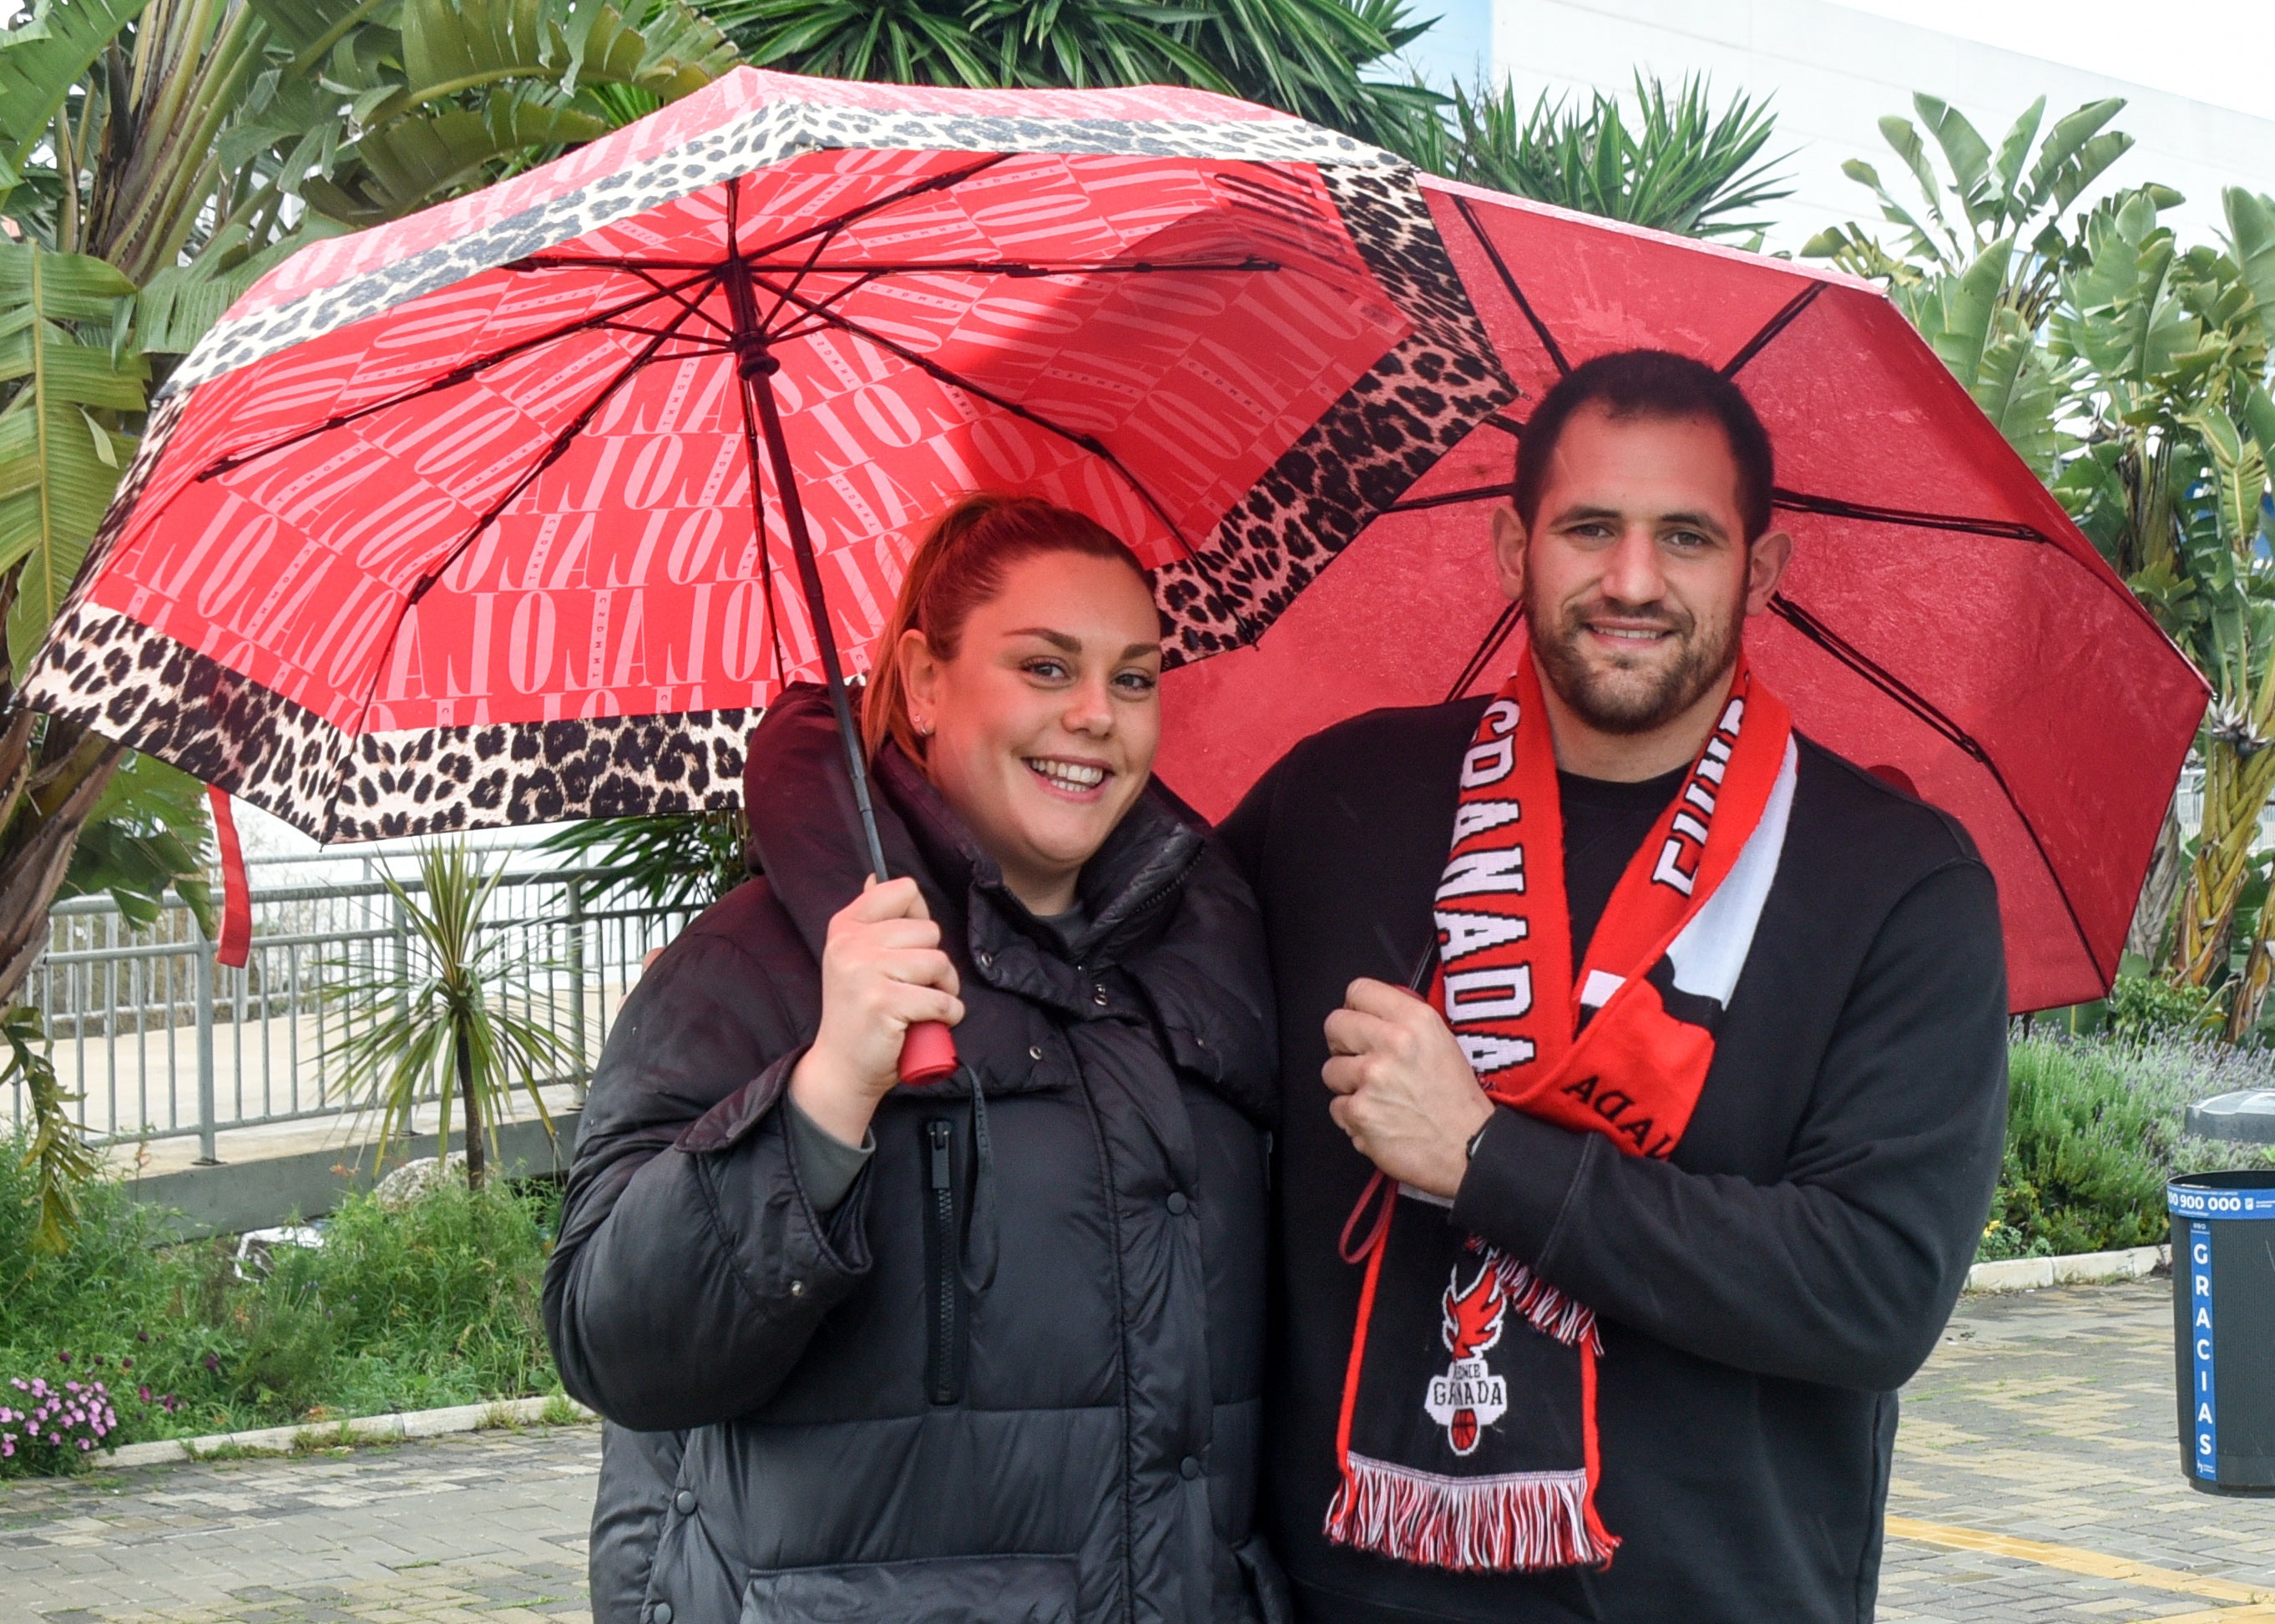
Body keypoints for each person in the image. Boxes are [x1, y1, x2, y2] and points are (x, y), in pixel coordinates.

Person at [1220, 349, 2010, 1622]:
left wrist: (1485, 1158)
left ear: (1760, 568)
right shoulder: (1338, 800)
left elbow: (1872, 1292)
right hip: (1342, 1594)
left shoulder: (1891, 878)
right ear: (1511, 547)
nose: (1631, 580)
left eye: (1684, 536)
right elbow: (1117, 1022)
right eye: (1588, 527)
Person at [545, 494, 1286, 1624]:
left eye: (1134, 679)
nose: (1097, 714)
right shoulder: (750, 965)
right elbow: (619, 1347)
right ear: (924, 681)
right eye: (1045, 668)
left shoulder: (1205, 963)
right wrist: (825, 1091)